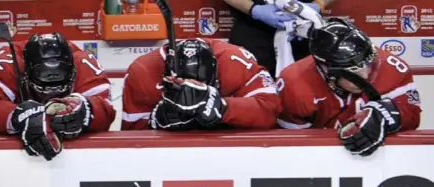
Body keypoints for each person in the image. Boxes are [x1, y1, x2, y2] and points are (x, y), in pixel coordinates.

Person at [277, 18, 421, 156]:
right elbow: (293, 146)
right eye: (353, 72)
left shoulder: (392, 68)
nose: (365, 76)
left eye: (368, 64)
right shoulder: (295, 82)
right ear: (326, 69)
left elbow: (413, 115)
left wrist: (388, 114)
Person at [0, 33, 116, 160]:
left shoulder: (84, 63)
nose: (52, 93)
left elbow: (106, 108)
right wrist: (19, 116)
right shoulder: (7, 64)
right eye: (44, 85)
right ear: (26, 72)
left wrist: (86, 110)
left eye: (60, 85)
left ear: (73, 69)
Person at [121, 38, 281, 130]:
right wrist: (156, 121)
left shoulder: (238, 61)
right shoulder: (143, 71)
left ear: (216, 67)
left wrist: (223, 107)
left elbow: (271, 112)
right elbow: (131, 135)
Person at [224, 0, 335, 77]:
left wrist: (319, 4)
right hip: (252, 31)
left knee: (303, 95)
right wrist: (254, 9)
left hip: (303, 32)